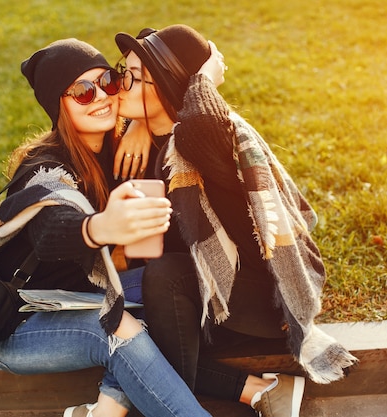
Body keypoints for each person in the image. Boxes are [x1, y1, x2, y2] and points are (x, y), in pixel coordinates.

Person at [113, 24, 359, 417]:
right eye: (123, 71)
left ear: (169, 85)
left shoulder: (204, 141)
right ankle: (260, 391)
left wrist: (204, 75)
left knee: (164, 277)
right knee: (128, 324)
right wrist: (141, 122)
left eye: (135, 77)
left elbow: (199, 122)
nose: (120, 85)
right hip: (206, 293)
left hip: (260, 299)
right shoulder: (149, 139)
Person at [0, 38, 212, 417]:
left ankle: (103, 409)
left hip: (75, 298)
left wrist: (138, 122)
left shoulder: (117, 149)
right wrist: (98, 227)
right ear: (59, 105)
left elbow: (197, 57)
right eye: (84, 92)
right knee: (120, 330)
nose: (101, 96)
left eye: (108, 81)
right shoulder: (43, 168)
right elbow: (53, 229)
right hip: (19, 325)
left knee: (178, 290)